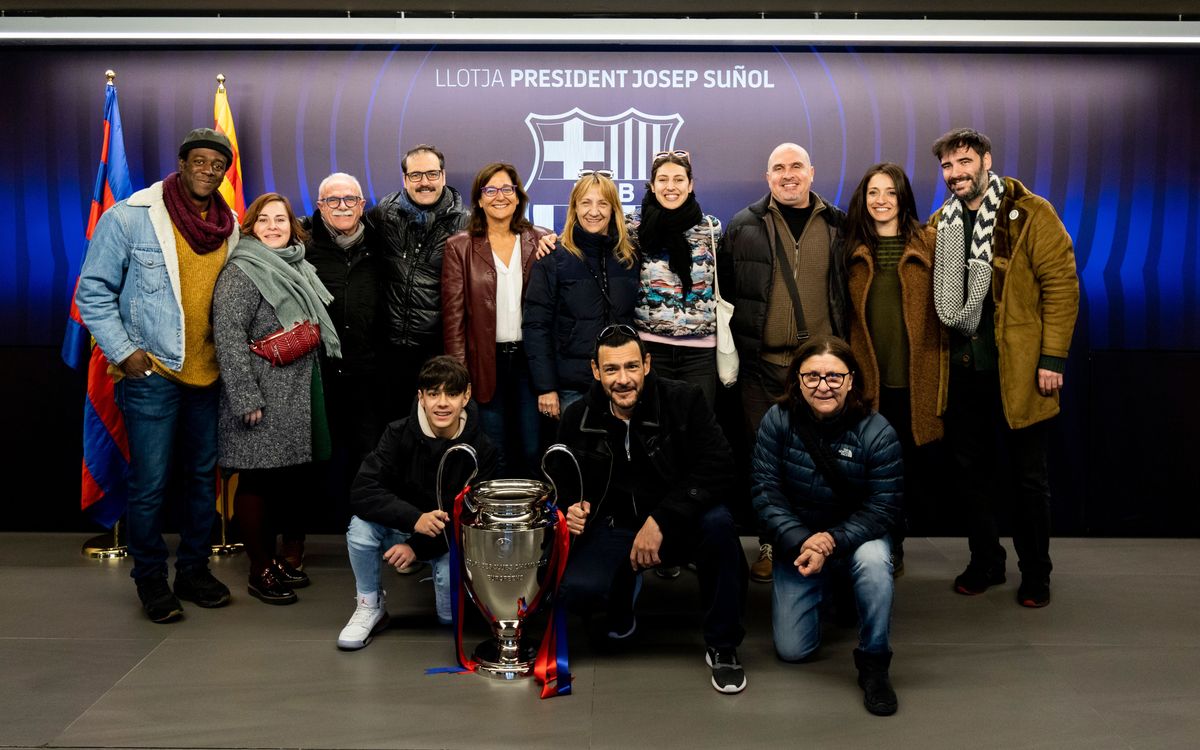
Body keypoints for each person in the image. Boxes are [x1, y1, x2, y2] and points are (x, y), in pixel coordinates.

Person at [76, 127, 238, 623]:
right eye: (200, 161)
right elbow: (93, 291)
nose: (208, 170)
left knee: (197, 481)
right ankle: (150, 580)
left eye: (218, 164)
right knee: (149, 483)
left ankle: (191, 571)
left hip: (208, 377)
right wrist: (125, 353)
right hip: (153, 375)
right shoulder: (132, 216)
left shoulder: (229, 226)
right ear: (183, 162)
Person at [929, 128, 1079, 608]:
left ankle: (1036, 572)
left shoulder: (1031, 212)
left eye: (965, 162)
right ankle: (986, 562)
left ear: (987, 161)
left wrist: (1052, 359)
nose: (956, 173)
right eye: (948, 166)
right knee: (970, 475)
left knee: (1028, 479)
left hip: (1019, 371)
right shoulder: (941, 222)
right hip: (962, 372)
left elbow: (1062, 285)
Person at [559, 325, 749, 694]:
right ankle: (622, 590)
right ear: (596, 372)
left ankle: (724, 647)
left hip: (678, 522)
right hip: (615, 525)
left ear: (647, 364)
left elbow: (720, 465)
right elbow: (564, 480)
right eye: (611, 370)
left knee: (720, 525)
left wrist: (662, 518)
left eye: (631, 366)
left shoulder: (686, 399)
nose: (623, 379)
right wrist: (573, 507)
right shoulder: (576, 416)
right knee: (576, 591)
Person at [752, 335, 902, 716]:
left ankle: (874, 664)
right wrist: (806, 542)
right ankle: (832, 590)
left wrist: (830, 542)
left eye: (834, 377)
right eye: (812, 376)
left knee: (873, 563)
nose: (823, 386)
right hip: (799, 541)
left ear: (852, 380)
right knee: (792, 650)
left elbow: (883, 509)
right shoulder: (777, 421)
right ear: (796, 381)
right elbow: (765, 494)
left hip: (854, 537)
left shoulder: (878, 431)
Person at [720, 142, 848, 583]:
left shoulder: (838, 225)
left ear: (812, 172)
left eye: (796, 167)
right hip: (761, 367)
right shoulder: (743, 226)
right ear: (766, 177)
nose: (788, 175)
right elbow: (727, 295)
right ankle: (772, 545)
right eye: (779, 168)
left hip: (821, 372)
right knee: (765, 460)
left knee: (818, 460)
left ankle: (823, 544)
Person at [212, 192, 340, 605]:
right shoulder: (241, 271)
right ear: (250, 227)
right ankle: (258, 568)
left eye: (280, 220)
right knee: (256, 480)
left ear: (292, 226)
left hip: (296, 391)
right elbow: (229, 339)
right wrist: (246, 397)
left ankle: (271, 559)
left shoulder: (298, 265)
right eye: (264, 220)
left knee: (281, 483)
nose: (273, 227)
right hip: (261, 393)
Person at [337, 356, 498, 650]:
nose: (442, 403)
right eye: (433, 393)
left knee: (449, 620)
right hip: (402, 527)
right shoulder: (397, 434)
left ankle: (439, 578)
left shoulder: (483, 449)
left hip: (450, 542)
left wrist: (417, 547)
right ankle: (369, 604)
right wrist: (414, 520)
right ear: (421, 397)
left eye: (451, 393)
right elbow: (363, 490)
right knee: (360, 528)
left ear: (467, 396)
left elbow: (474, 518)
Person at [842, 163, 943, 570]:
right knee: (865, 470)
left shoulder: (931, 243)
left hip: (914, 380)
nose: (881, 201)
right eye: (873, 192)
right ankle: (871, 543)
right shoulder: (849, 247)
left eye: (890, 192)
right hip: (866, 380)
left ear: (903, 198)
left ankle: (894, 543)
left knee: (903, 472)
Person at [443, 162, 551, 477]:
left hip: (529, 364)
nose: (499, 196)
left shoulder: (542, 241)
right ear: (478, 199)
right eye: (490, 190)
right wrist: (459, 379)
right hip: (483, 365)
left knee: (533, 448)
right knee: (493, 450)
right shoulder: (459, 247)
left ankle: (533, 521)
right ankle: (496, 524)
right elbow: (454, 320)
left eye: (507, 189)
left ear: (519, 197)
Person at [304, 172, 386, 565]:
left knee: (369, 458)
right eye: (332, 201)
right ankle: (299, 543)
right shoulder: (300, 243)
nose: (341, 207)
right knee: (311, 461)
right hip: (315, 373)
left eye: (349, 200)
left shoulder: (381, 244)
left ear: (362, 205)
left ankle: (369, 537)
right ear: (319, 206)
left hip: (369, 373)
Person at [523, 171, 639, 421]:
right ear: (574, 208)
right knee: (576, 457)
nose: (593, 211)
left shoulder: (629, 258)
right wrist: (546, 387)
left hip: (622, 384)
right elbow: (536, 325)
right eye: (586, 202)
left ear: (614, 209)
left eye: (602, 203)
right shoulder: (552, 258)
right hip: (571, 388)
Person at [372, 144, 470, 419]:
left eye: (431, 174)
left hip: (437, 353)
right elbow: (345, 227)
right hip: (389, 352)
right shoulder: (384, 214)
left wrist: (546, 239)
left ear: (443, 176)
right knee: (392, 429)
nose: (424, 182)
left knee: (434, 431)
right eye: (416, 176)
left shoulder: (467, 224)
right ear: (404, 179)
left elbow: (510, 236)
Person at [629, 149, 722, 410]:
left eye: (679, 179)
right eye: (663, 179)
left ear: (690, 185)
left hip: (700, 352)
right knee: (654, 430)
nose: (671, 187)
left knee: (697, 431)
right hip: (650, 349)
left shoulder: (711, 229)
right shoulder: (632, 227)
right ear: (652, 184)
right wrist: (549, 240)